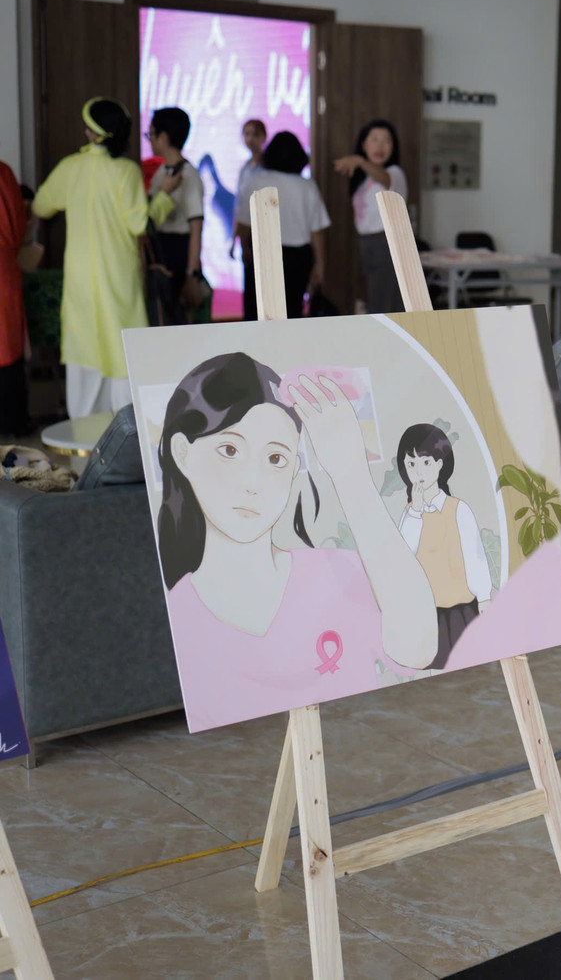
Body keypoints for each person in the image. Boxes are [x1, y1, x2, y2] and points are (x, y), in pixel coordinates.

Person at [156, 352, 438, 729]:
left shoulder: (337, 573)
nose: (253, 483)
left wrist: (350, 473)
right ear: (183, 453)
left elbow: (418, 649)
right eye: (229, 450)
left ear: (294, 470)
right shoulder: (178, 617)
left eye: (276, 458)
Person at [32, 97, 172, 417]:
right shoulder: (126, 171)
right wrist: (164, 197)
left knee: (83, 355)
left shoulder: (71, 167)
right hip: (118, 278)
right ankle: (125, 440)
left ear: (92, 133)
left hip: (80, 280)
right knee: (123, 353)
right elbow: (140, 224)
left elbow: (41, 205)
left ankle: (82, 441)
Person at [395, 423, 493, 669]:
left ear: (440, 464)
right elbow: (404, 558)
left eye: (426, 462)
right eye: (411, 464)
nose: (419, 471)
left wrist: (484, 598)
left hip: (459, 612)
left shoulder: (458, 509)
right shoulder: (410, 514)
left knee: (468, 667)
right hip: (424, 617)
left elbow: (475, 556)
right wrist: (416, 511)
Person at [242, 132, 329, 318]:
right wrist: (319, 264)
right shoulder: (307, 186)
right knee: (292, 311)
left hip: (262, 252)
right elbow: (316, 230)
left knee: (256, 312)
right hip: (298, 257)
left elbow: (244, 224)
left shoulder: (256, 183)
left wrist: (244, 248)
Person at [334, 120, 407, 313]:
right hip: (367, 243)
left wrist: (359, 161)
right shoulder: (363, 178)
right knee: (376, 298)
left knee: (384, 303)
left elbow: (385, 179)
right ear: (364, 145)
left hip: (386, 242)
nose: (380, 146)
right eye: (374, 139)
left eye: (386, 140)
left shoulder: (395, 173)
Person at [145, 107, 205, 326]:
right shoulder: (161, 172)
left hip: (180, 254)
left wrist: (192, 274)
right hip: (161, 252)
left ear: (163, 137)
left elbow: (196, 229)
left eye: (151, 134)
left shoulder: (189, 175)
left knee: (179, 323)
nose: (149, 139)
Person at [0, 161, 27, 436]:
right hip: (2, 267)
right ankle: (11, 423)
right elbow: (16, 226)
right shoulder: (2, 172)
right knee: (6, 345)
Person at [232, 119, 266, 320]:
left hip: (264, 227)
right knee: (250, 280)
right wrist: (234, 237)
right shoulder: (245, 168)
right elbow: (239, 205)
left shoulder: (268, 167)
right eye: (246, 134)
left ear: (263, 137)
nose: (250, 139)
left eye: (254, 134)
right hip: (247, 231)